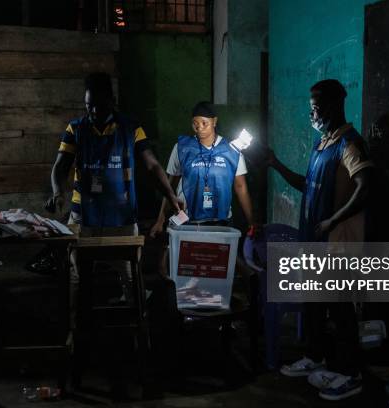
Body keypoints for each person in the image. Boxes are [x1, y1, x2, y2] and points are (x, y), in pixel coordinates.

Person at [45, 72, 182, 328]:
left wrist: (171, 195)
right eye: (88, 106)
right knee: (79, 276)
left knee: (130, 275)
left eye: (99, 105)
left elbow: (151, 166)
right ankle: (79, 327)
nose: (94, 111)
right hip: (84, 216)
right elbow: (60, 167)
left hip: (121, 217)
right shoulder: (76, 128)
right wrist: (56, 192)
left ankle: (137, 326)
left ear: (113, 100)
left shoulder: (131, 128)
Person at [266, 79, 372, 401]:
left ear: (336, 105)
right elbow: (308, 184)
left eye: (317, 106)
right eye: (311, 106)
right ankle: (317, 358)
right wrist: (275, 164)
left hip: (337, 245)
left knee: (340, 312)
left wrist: (332, 219)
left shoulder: (349, 144)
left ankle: (351, 375)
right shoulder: (322, 144)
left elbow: (366, 186)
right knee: (314, 306)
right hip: (314, 244)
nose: (312, 112)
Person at [150, 101, 255, 235]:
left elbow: (240, 187)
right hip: (188, 223)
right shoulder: (182, 148)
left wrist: (251, 221)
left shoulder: (231, 150)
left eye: (204, 123)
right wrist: (160, 220)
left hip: (221, 223)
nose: (199, 127)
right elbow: (170, 187)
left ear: (214, 122)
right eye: (195, 123)